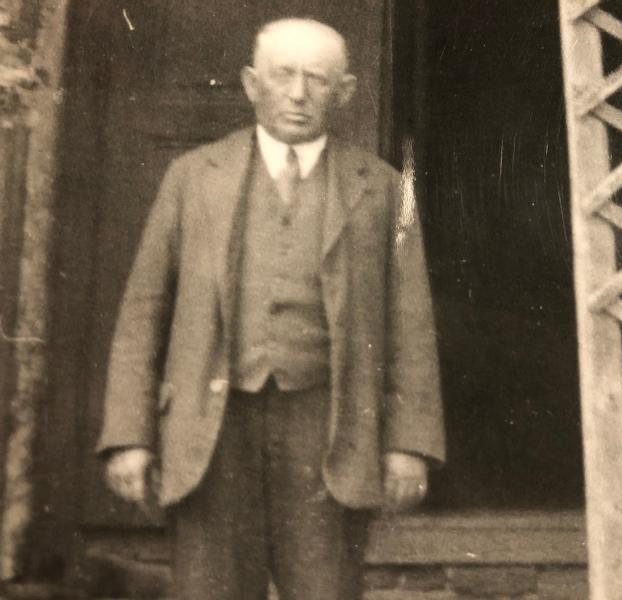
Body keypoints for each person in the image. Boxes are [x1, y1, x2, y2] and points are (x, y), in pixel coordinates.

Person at [96, 18, 445, 600]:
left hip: (328, 428)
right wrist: (129, 435)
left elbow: (411, 325)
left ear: (345, 92)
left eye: (318, 79)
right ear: (251, 84)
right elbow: (142, 313)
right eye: (283, 75)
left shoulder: (383, 189)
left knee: (325, 589)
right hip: (212, 428)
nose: (299, 94)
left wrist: (409, 443)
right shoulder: (192, 178)